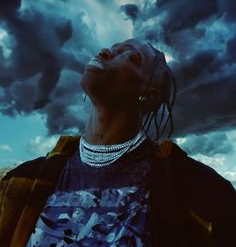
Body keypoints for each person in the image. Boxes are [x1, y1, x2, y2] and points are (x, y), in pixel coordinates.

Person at [0, 38, 235, 247]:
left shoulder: (201, 192)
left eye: (131, 57)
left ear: (149, 95)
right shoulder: (19, 183)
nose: (104, 52)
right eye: (112, 48)